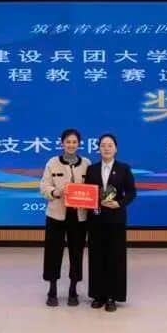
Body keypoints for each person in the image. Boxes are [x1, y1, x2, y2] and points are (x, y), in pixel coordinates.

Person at [84, 133, 136, 312]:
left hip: (116, 219)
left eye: (110, 145)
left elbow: (131, 192)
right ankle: (98, 295)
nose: (106, 148)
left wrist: (119, 203)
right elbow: (87, 192)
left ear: (116, 149)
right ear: (98, 149)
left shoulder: (124, 169)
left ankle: (113, 296)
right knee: (96, 256)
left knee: (115, 256)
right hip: (96, 218)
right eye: (103, 145)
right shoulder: (91, 169)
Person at [39, 128, 91, 307]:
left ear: (79, 144)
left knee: (77, 253)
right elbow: (44, 186)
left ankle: (73, 289)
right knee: (53, 252)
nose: (71, 145)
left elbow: (92, 187)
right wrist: (56, 191)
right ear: (62, 144)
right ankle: (52, 289)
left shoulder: (86, 163)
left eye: (74, 142)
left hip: (79, 216)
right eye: (68, 142)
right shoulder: (52, 162)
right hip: (56, 215)